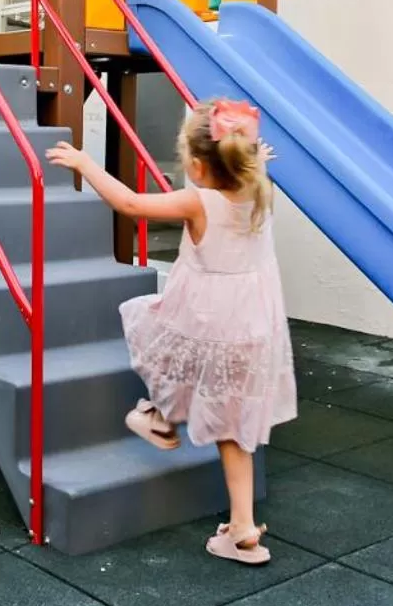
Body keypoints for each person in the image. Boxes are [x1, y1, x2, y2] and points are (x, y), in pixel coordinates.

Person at [45, 98, 295, 564]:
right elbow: (250, 166)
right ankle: (242, 529)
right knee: (233, 429)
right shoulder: (260, 191)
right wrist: (257, 161)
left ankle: (159, 416)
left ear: (199, 167)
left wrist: (83, 162)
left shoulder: (197, 201)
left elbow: (130, 203)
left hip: (205, 317)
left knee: (159, 334)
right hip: (254, 329)